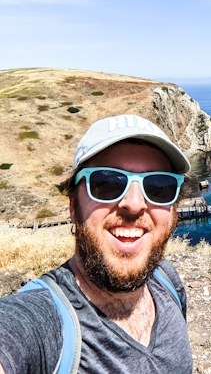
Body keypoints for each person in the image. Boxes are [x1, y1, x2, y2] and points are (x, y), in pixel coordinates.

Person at [0, 114, 193, 373]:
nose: (134, 204)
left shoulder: (168, 282)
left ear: (173, 210)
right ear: (73, 207)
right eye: (107, 183)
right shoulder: (38, 322)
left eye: (159, 186)